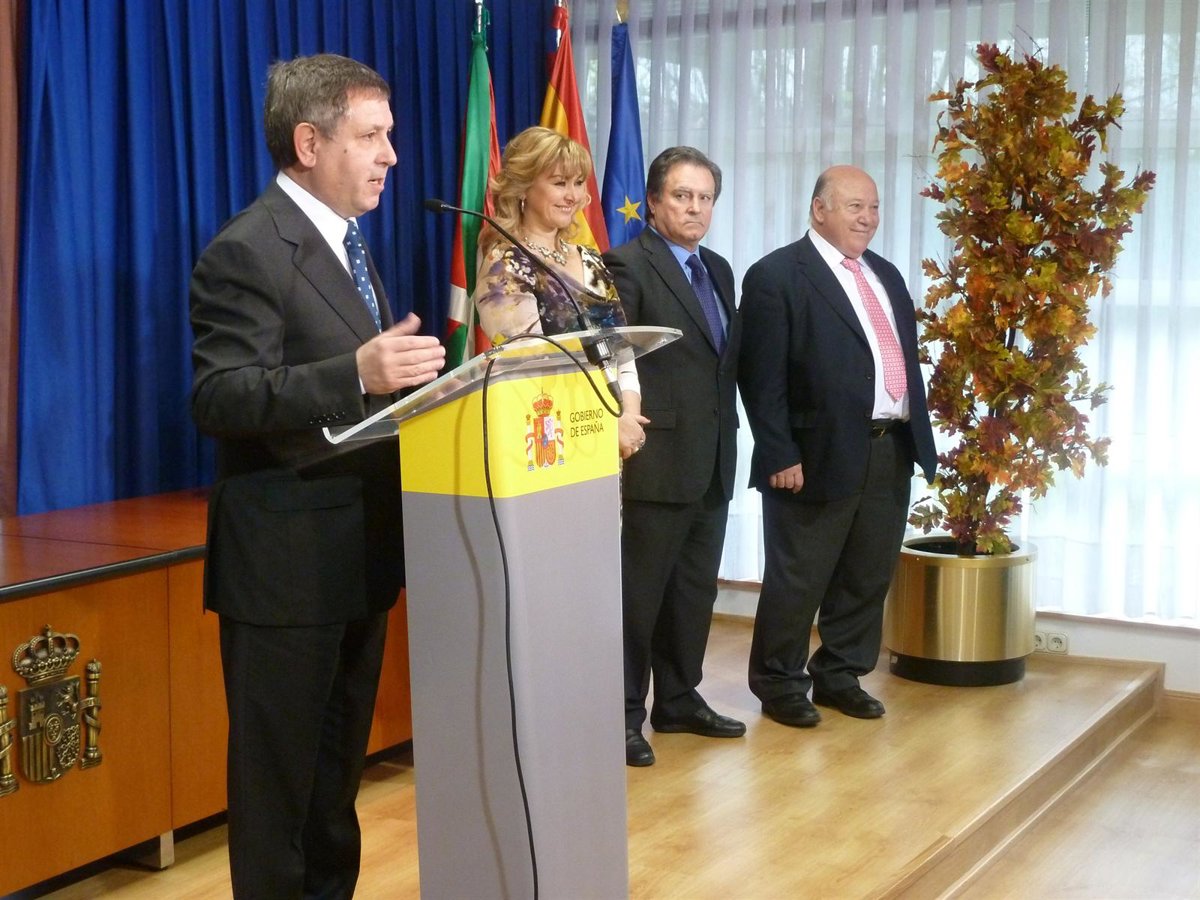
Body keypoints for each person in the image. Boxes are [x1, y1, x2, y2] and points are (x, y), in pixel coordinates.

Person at [189, 53, 445, 898]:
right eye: (372, 137)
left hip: (357, 556)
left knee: (334, 787)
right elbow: (220, 397)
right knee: (280, 795)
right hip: (285, 571)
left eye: (389, 136)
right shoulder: (248, 249)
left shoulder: (347, 243)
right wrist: (356, 375)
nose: (391, 156)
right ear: (309, 143)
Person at [737, 165, 936, 729]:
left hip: (889, 446)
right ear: (819, 209)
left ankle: (840, 673)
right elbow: (760, 376)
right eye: (854, 207)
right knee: (799, 578)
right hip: (811, 454)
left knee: (867, 574)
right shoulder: (776, 275)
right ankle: (779, 683)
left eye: (873, 207)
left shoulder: (885, 274)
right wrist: (778, 451)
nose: (867, 218)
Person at [603, 147, 744, 767]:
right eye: (682, 196)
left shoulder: (718, 269)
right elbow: (615, 360)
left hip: (712, 457)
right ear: (654, 201)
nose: (695, 208)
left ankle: (680, 699)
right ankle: (623, 715)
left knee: (693, 592)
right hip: (656, 456)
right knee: (640, 597)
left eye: (705, 198)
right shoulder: (626, 265)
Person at [472, 125, 643, 458]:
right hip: (548, 439)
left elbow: (622, 354)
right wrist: (608, 422)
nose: (573, 196)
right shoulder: (505, 264)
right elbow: (530, 365)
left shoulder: (591, 258)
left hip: (610, 438)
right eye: (559, 183)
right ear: (524, 187)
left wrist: (628, 416)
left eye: (578, 183)